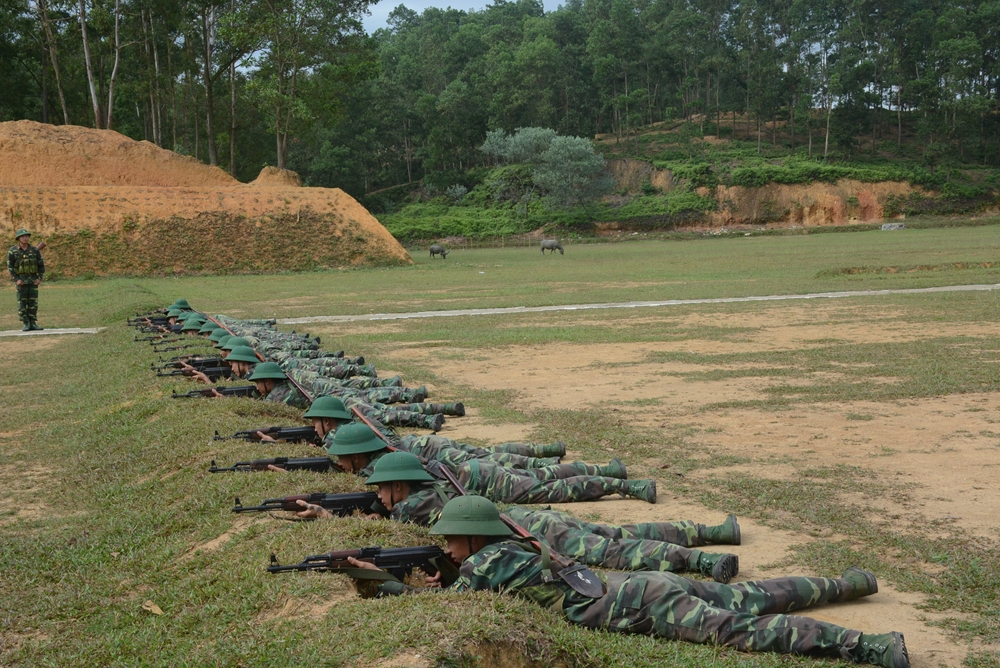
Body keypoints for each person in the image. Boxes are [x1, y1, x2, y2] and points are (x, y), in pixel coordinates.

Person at [345, 496, 909, 668]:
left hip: (643, 607)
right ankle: (851, 582)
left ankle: (872, 647)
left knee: (749, 630)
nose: (446, 549)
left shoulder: (486, 566)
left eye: (451, 541)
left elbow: (448, 605)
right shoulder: (513, 548)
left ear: (473, 539)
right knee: (755, 595)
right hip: (641, 585)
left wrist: (378, 581)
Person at [7, 229, 45, 331]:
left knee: (33, 303)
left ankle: (33, 323)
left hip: (33, 281)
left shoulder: (35, 250)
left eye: (27, 236)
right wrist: (16, 279)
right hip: (21, 281)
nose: (25, 238)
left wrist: (39, 278)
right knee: (22, 303)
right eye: (23, 236)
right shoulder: (13, 251)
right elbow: (10, 267)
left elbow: (41, 265)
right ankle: (26, 323)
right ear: (18, 238)